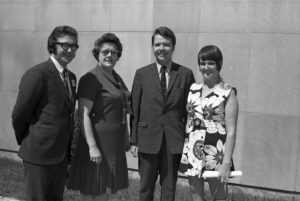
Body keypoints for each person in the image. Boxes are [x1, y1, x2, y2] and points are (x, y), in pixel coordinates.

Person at [11, 25, 78, 201]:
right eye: (65, 45)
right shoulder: (37, 74)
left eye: (74, 46)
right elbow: (19, 114)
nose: (70, 50)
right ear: (52, 46)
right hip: (38, 154)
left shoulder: (71, 78)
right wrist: (28, 139)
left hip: (60, 156)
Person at [130, 26, 195, 201]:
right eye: (157, 44)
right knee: (145, 189)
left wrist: (189, 142)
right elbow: (134, 109)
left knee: (169, 190)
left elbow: (191, 112)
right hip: (147, 138)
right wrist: (134, 140)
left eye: (166, 44)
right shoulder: (141, 74)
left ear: (173, 47)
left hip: (173, 141)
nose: (161, 48)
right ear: (152, 47)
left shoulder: (186, 74)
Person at [67, 33, 130, 201]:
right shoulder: (91, 78)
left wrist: (126, 137)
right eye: (105, 52)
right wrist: (92, 146)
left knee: (109, 192)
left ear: (118, 55)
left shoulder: (117, 78)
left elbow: (122, 110)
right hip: (97, 144)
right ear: (97, 54)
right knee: (94, 192)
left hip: (114, 145)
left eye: (114, 52)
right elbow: (83, 114)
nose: (110, 55)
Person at [179, 45, 239, 201]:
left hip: (216, 153)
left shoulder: (228, 92)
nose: (206, 67)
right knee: (194, 191)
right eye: (202, 63)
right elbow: (189, 121)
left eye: (210, 63)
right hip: (193, 149)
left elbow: (231, 132)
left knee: (218, 195)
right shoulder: (193, 88)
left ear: (219, 65)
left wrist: (226, 162)